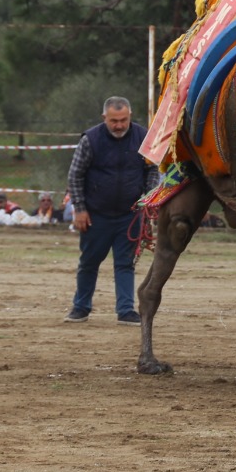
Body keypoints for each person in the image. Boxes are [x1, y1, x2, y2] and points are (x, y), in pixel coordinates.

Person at [64, 96, 157, 324]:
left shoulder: (143, 137)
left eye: (123, 120)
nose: (119, 125)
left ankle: (125, 311)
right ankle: (81, 307)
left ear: (130, 117)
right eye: (114, 120)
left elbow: (153, 171)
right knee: (89, 262)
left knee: (125, 263)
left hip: (130, 215)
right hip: (95, 215)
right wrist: (80, 209)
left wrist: (147, 201)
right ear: (104, 118)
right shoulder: (90, 140)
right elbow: (75, 175)